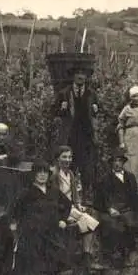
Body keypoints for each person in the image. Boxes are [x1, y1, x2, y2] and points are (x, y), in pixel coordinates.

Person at [9, 159, 82, 275]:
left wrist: (63, 219)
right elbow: (13, 213)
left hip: (52, 238)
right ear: (33, 175)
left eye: (45, 172)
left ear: (48, 175)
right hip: (32, 239)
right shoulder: (26, 193)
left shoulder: (53, 191)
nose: (42, 175)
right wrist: (16, 229)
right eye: (38, 172)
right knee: (36, 272)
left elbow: (67, 204)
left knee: (66, 268)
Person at [50, 146, 103, 271]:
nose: (67, 160)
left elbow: (74, 194)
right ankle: (80, 259)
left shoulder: (70, 174)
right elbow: (53, 197)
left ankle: (87, 256)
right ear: (57, 159)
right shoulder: (54, 175)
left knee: (91, 222)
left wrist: (78, 204)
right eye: (64, 157)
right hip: (60, 209)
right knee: (87, 222)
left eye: (69, 157)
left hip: (71, 208)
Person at [94, 149, 138, 267]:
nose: (117, 163)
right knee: (113, 226)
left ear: (123, 162)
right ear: (111, 163)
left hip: (127, 208)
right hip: (112, 210)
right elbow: (104, 197)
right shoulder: (105, 179)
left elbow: (134, 195)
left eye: (119, 160)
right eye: (115, 161)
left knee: (132, 223)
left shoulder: (130, 177)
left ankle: (129, 254)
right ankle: (115, 256)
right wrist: (110, 208)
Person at [53, 67, 99, 202]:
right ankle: (66, 198)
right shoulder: (64, 93)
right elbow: (54, 112)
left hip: (86, 136)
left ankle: (85, 199)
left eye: (83, 74)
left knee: (87, 169)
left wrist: (96, 110)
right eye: (78, 73)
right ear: (73, 76)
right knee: (68, 166)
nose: (80, 76)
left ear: (86, 77)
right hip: (70, 136)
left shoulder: (91, 94)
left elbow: (96, 114)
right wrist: (61, 109)